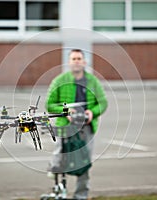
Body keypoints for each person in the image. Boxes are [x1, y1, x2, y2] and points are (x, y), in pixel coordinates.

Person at [45, 49, 108, 199]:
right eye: (74, 58)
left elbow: (103, 102)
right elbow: (49, 104)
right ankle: (58, 190)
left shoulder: (93, 81)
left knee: (84, 162)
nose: (77, 61)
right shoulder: (59, 80)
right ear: (69, 62)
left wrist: (92, 112)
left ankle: (81, 195)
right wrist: (66, 111)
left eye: (79, 58)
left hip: (86, 127)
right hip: (65, 127)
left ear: (84, 62)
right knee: (59, 158)